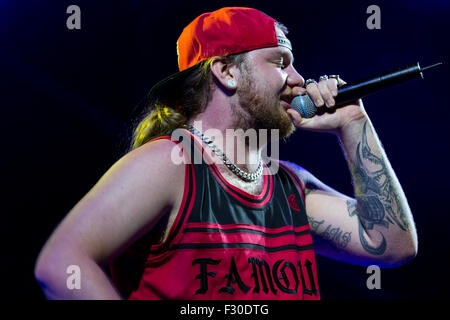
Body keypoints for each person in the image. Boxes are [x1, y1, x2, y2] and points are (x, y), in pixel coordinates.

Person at [34, 7, 418, 300]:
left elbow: (394, 244)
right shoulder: (171, 163)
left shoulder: (288, 184)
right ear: (226, 71)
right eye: (281, 62)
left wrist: (353, 123)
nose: (299, 79)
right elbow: (61, 263)